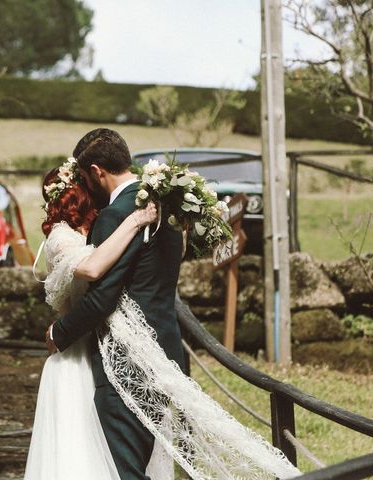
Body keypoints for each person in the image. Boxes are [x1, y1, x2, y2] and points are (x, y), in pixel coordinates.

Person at [29, 128, 302, 480]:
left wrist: (60, 332)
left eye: (86, 177)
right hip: (166, 353)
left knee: (124, 469)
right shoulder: (168, 208)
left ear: (97, 172)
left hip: (127, 364)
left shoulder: (114, 217)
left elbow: (103, 296)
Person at [24, 165, 161, 480]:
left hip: (106, 349)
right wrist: (135, 220)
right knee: (77, 451)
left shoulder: (99, 227)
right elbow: (91, 268)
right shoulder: (60, 237)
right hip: (74, 357)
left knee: (109, 451)